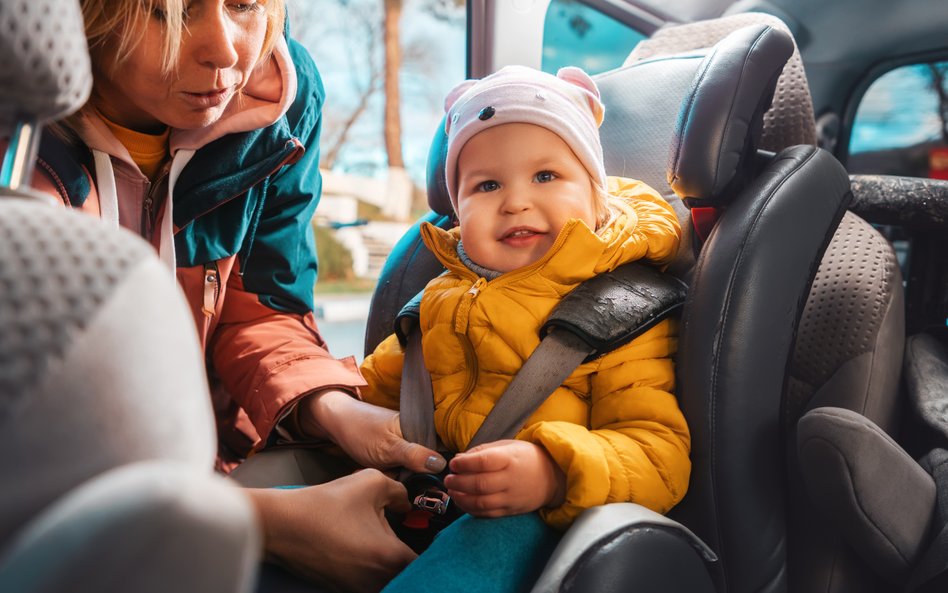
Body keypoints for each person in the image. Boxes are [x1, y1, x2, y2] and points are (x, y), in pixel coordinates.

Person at [32, 1, 443, 591]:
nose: (224, 51)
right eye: (166, 11)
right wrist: (257, 522)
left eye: (245, 5)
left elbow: (260, 310)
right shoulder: (19, 155)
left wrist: (329, 406)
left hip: (207, 463)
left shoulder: (278, 108)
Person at [349, 65, 692, 592]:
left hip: (540, 522)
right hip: (428, 501)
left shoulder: (619, 308)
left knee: (488, 543)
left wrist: (552, 472)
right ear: (458, 212)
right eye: (487, 185)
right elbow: (369, 389)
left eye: (546, 177)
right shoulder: (439, 300)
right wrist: (316, 406)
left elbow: (658, 453)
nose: (514, 201)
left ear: (597, 196)